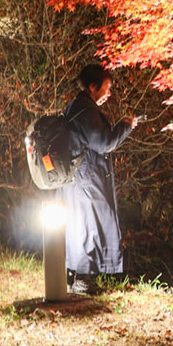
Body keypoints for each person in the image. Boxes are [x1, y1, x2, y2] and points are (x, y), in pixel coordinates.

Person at [59, 64, 138, 294]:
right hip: (86, 178)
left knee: (81, 224)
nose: (109, 93)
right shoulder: (85, 110)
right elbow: (104, 143)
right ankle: (82, 279)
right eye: (107, 87)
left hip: (77, 177)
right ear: (93, 87)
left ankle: (74, 278)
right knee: (88, 225)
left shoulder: (77, 107)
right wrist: (125, 126)